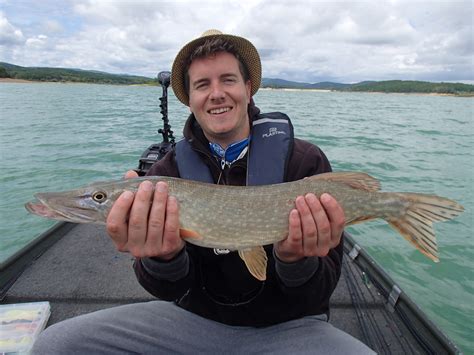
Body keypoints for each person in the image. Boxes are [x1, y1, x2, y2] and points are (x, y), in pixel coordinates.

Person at [32, 30, 375, 354]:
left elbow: (320, 288)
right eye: (202, 85)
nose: (216, 93)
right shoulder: (166, 172)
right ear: (191, 98)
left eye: (227, 79)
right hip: (192, 322)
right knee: (55, 345)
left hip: (289, 327)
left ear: (248, 88)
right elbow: (169, 289)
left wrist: (294, 261)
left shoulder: (305, 161)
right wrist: (162, 259)